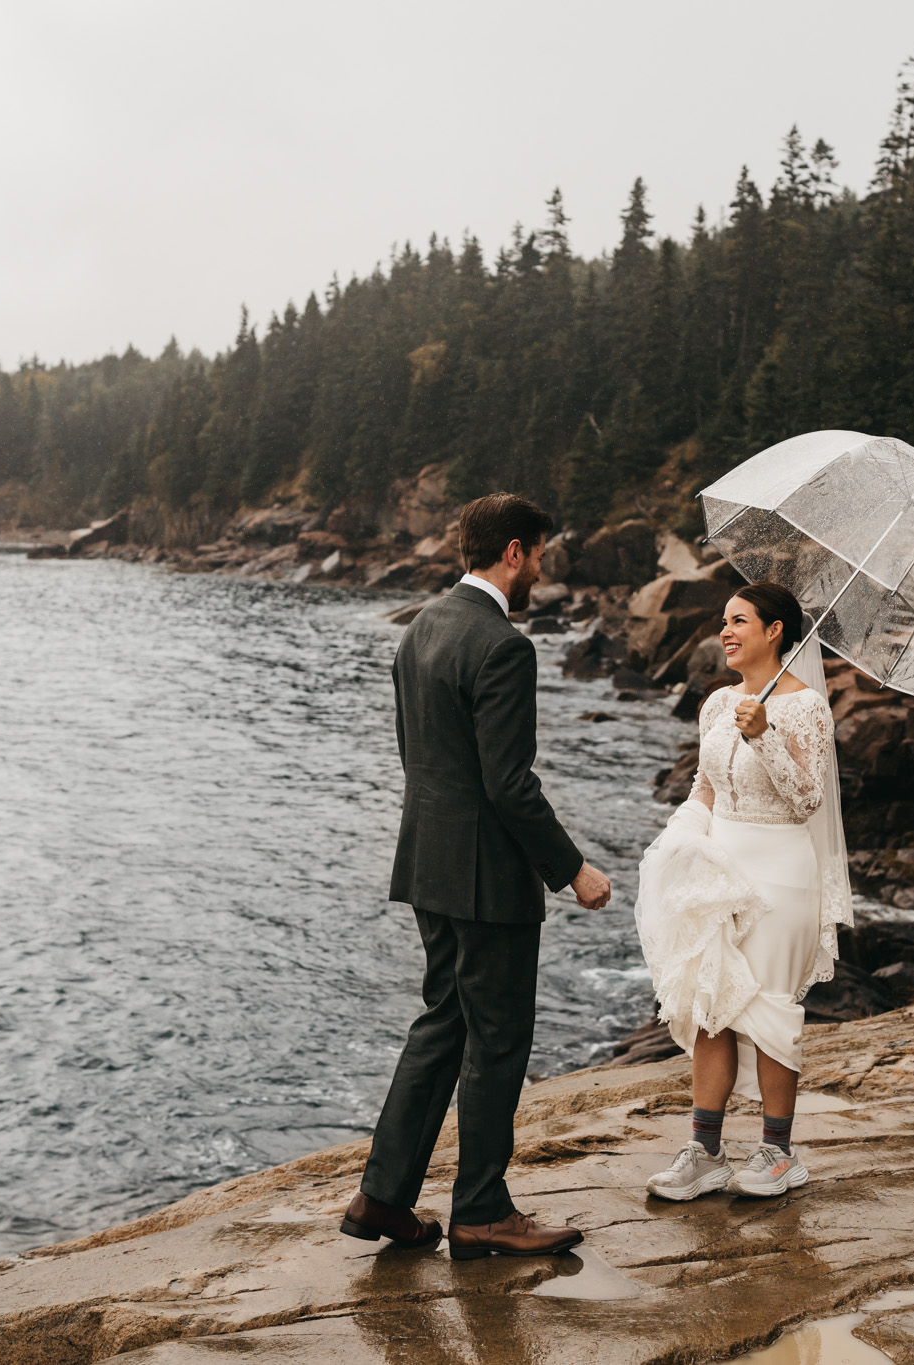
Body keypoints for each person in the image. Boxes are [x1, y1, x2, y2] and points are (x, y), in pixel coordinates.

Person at [341, 492, 614, 1261]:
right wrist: (572, 870)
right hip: (489, 880)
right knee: (496, 1040)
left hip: (428, 862)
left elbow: (415, 754)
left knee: (443, 1021)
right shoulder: (503, 645)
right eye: (541, 554)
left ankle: (383, 1197)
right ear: (516, 552)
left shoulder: (420, 627)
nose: (541, 570)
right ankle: (483, 1211)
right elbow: (509, 784)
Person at [633, 582, 849, 1200]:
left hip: (782, 871)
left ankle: (779, 1153)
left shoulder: (806, 707)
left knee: (773, 1010)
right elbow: (705, 787)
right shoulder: (717, 703)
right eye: (723, 622)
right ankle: (705, 1152)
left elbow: (808, 799)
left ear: (775, 630)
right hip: (717, 872)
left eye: (739, 621)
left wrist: (764, 736)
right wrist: (677, 839)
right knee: (710, 1006)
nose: (725, 632)